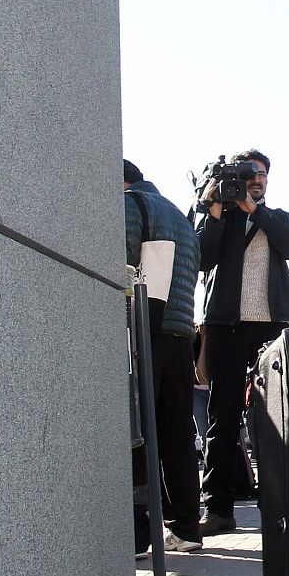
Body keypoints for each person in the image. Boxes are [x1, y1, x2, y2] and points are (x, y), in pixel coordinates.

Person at [194, 150, 289, 535]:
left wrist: (254, 208)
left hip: (271, 328)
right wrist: (212, 207)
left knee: (276, 416)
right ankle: (218, 508)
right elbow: (200, 257)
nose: (254, 179)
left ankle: (283, 503)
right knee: (221, 420)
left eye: (259, 174)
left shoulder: (275, 217)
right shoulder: (219, 219)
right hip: (225, 326)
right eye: (247, 174)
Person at [123, 159, 204, 553]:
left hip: (144, 331)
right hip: (180, 333)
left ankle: (138, 534)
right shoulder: (179, 216)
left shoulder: (130, 204)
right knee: (178, 435)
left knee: (136, 433)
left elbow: (119, 265)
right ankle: (187, 528)